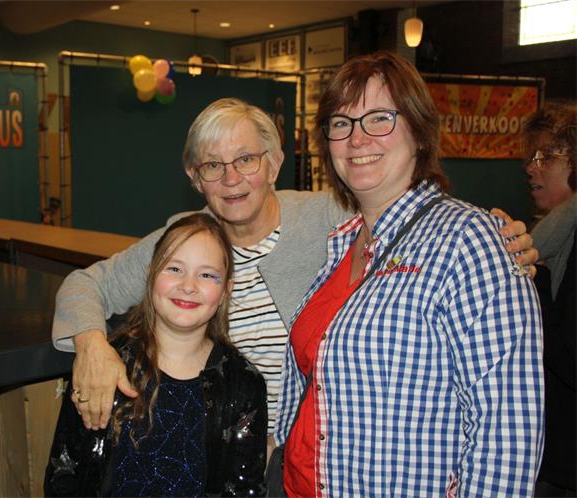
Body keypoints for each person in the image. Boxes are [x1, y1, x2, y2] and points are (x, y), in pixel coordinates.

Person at [51, 98, 538, 449]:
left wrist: (500, 235)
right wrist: (92, 345)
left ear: (274, 163)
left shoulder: (332, 216)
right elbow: (84, 283)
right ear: (195, 178)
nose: (231, 178)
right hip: (213, 453)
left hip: (318, 452)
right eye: (213, 166)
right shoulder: (185, 240)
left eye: (246, 159)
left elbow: (419, 223)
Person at [276, 51, 544, 497]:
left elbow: (506, 430)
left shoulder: (468, 241)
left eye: (379, 118)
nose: (357, 138)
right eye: (341, 123)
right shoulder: (341, 243)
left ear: (419, 132)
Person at [44, 213, 267, 497]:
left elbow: (244, 489)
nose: (188, 285)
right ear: (150, 275)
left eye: (207, 275)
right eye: (174, 269)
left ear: (226, 290)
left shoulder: (244, 385)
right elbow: (64, 477)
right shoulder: (104, 369)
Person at [523, 102, 576, 497]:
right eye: (531, 156)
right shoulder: (552, 238)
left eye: (546, 156)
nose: (531, 167)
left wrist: (534, 281)